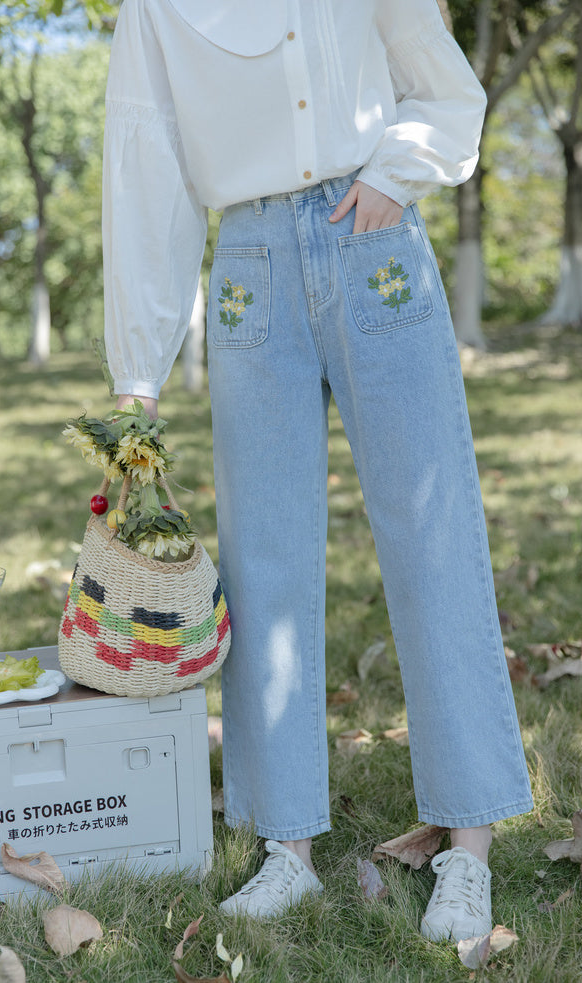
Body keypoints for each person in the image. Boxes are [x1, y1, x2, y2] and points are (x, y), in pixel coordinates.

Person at [102, 0, 533, 941]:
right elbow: (146, 160)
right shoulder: (156, 9)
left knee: (434, 536)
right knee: (264, 559)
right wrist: (137, 371)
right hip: (250, 261)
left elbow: (446, 89)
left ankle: (468, 847)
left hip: (371, 233)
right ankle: (286, 848)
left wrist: (396, 170)